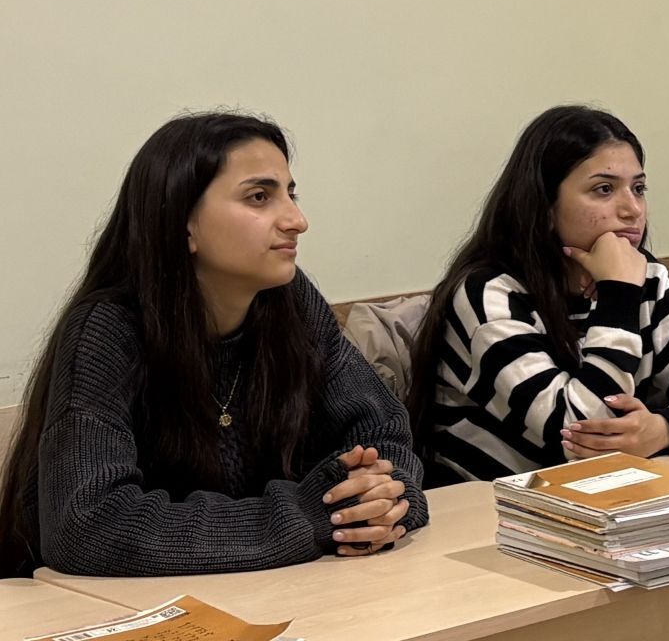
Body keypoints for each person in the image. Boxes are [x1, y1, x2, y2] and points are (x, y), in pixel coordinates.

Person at [0, 112, 425, 577]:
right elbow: (86, 526)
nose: (297, 220)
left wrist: (383, 498)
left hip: (276, 590)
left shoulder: (291, 302)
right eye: (259, 197)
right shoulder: (108, 329)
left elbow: (382, 432)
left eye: (291, 194)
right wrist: (306, 517)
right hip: (113, 609)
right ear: (183, 223)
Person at [410, 105, 669, 484]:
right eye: (604, 189)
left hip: (597, 493)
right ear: (544, 206)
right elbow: (578, 435)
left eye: (639, 188)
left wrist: (665, 429)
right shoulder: (488, 293)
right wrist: (618, 296)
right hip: (491, 503)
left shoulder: (647, 278)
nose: (633, 209)